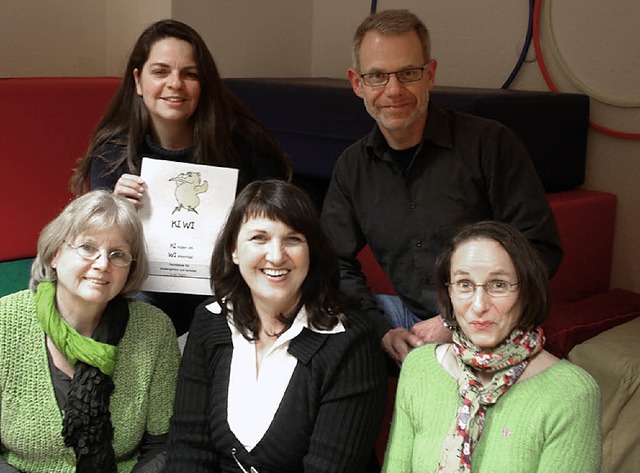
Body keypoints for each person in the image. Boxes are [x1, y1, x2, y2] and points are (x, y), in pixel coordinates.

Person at [321, 9, 563, 365]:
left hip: (489, 320)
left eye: (408, 73)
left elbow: (540, 249)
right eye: (377, 76)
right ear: (357, 83)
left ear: (430, 75)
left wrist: (455, 320)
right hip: (404, 317)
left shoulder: (491, 144)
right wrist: (380, 329)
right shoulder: (353, 166)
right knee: (313, 324)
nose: (393, 90)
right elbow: (333, 262)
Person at [70, 19, 292, 335]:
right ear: (137, 80)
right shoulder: (113, 152)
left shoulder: (244, 144)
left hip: (232, 287)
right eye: (160, 72)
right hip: (141, 290)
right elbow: (97, 251)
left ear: (203, 84)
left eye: (189, 74)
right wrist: (114, 210)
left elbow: (282, 224)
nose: (175, 83)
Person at [166, 180, 387, 472]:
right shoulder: (211, 321)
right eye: (259, 238)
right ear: (234, 250)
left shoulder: (350, 339)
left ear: (311, 251)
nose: (276, 255)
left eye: (293, 239)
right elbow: (188, 452)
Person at [382, 221, 601, 472]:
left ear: (527, 291)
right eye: (464, 284)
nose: (478, 305)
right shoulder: (419, 366)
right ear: (449, 292)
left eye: (498, 284)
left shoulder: (571, 393)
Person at [0, 190, 180, 473]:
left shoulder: (154, 329)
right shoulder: (5, 322)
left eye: (118, 254)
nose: (102, 264)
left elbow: (164, 444)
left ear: (130, 269)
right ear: (56, 253)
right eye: (87, 247)